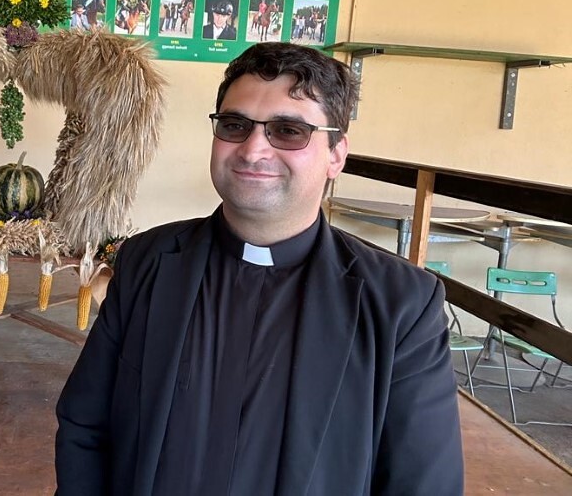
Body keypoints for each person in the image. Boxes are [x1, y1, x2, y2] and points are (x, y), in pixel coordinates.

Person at [55, 42, 464, 495]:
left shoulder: (401, 305)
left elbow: (423, 483)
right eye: (235, 125)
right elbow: (84, 426)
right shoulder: (146, 261)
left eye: (288, 131)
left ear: (336, 155)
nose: (253, 150)